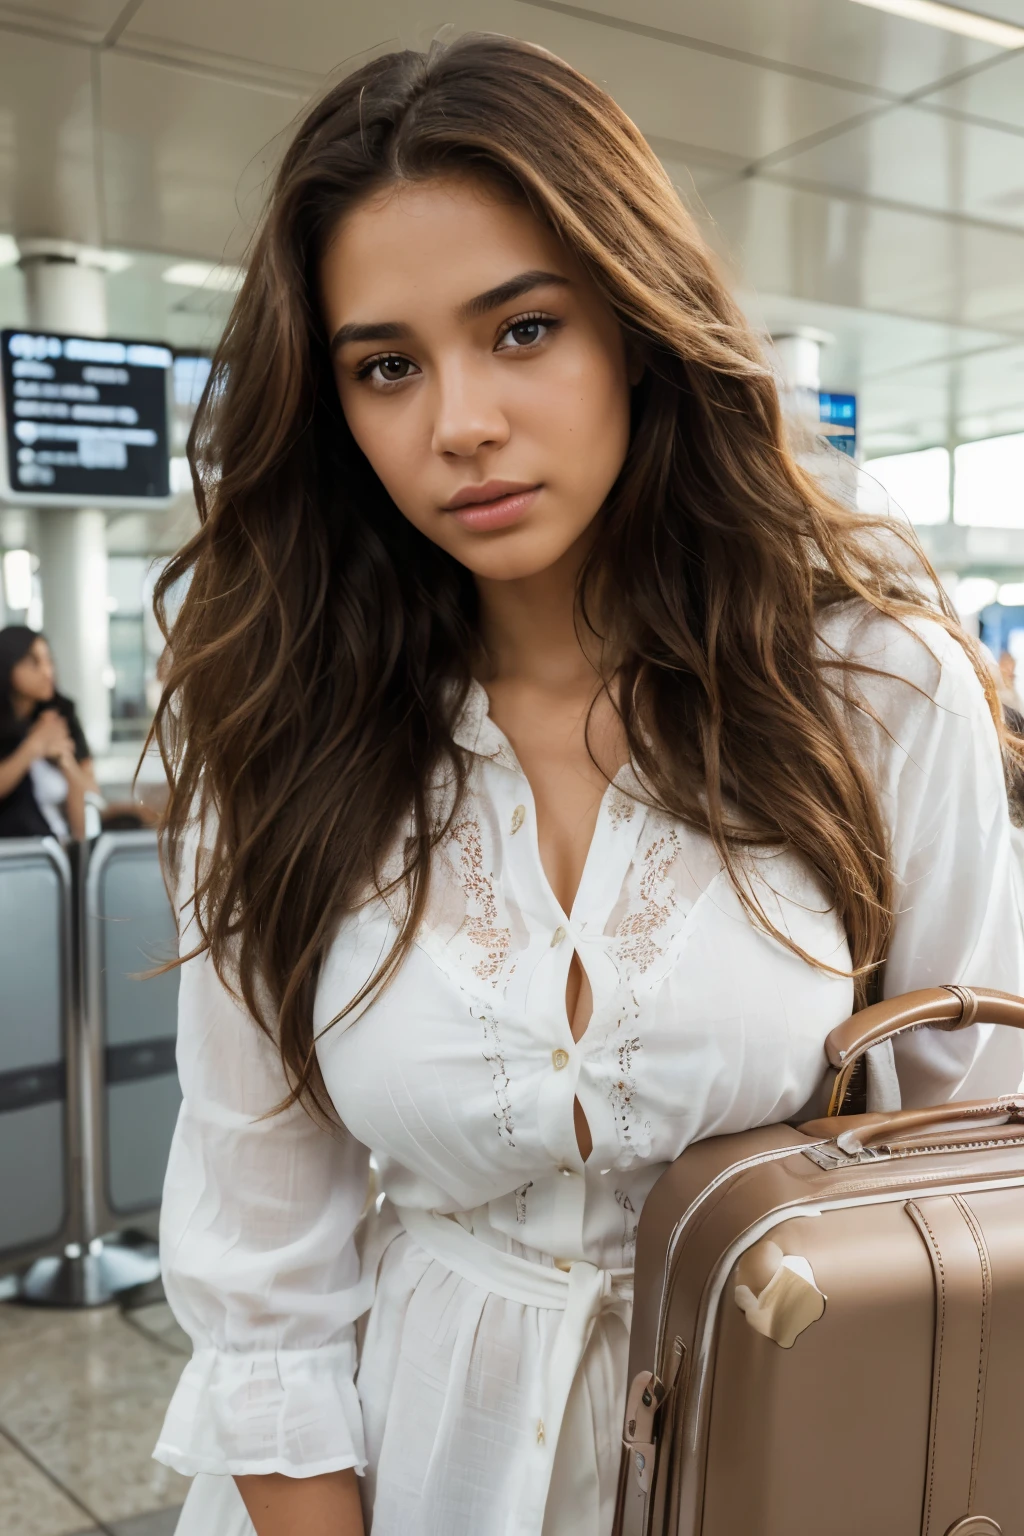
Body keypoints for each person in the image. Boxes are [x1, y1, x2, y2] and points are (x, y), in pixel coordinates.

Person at [150, 36, 1024, 1536]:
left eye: (524, 329)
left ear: (637, 328)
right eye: (386, 366)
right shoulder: (284, 736)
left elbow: (982, 1161)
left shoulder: (871, 690)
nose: (460, 423)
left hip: (799, 1451)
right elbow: (263, 1273)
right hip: (416, 1458)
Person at [0, 625, 95, 840]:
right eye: (34, 662)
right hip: (15, 852)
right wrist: (34, 745)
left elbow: (92, 795)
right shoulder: (33, 734)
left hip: (61, 850)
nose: (47, 671)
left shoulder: (61, 716)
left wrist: (65, 760)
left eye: (49, 660)